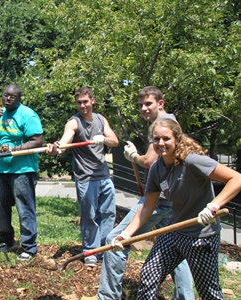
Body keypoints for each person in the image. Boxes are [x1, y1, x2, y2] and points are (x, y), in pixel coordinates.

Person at [113, 118, 241, 299]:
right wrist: (126, 235)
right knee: (149, 275)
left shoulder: (193, 161)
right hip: (174, 231)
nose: (160, 143)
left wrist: (213, 206)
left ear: (177, 139)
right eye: (156, 139)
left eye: (166, 138)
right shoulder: (157, 169)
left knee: (208, 292)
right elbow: (148, 206)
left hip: (200, 235)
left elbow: (236, 179)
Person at [94, 86, 194, 300]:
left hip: (159, 201)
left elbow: (149, 162)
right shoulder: (170, 121)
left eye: (148, 103)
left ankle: (108, 296)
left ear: (160, 103)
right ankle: (186, 297)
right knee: (177, 249)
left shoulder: (163, 124)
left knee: (115, 239)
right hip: (172, 199)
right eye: (140, 105)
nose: (143, 108)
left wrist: (134, 157)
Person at [45, 86, 119, 267]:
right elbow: (64, 142)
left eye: (85, 101)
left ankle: (103, 249)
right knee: (90, 216)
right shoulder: (74, 122)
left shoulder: (101, 120)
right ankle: (91, 252)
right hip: (85, 177)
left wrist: (103, 138)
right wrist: (56, 148)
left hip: (103, 175)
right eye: (79, 102)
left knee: (108, 214)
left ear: (92, 101)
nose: (82, 105)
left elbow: (115, 141)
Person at [0, 84, 43, 261]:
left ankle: (29, 247)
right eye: (5, 95)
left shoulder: (27, 114)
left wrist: (15, 148)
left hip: (22, 169)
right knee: (0, 205)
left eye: (12, 97)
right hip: (2, 169)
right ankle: (6, 240)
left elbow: (37, 140)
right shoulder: (0, 114)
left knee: (24, 208)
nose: (7, 99)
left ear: (19, 99)